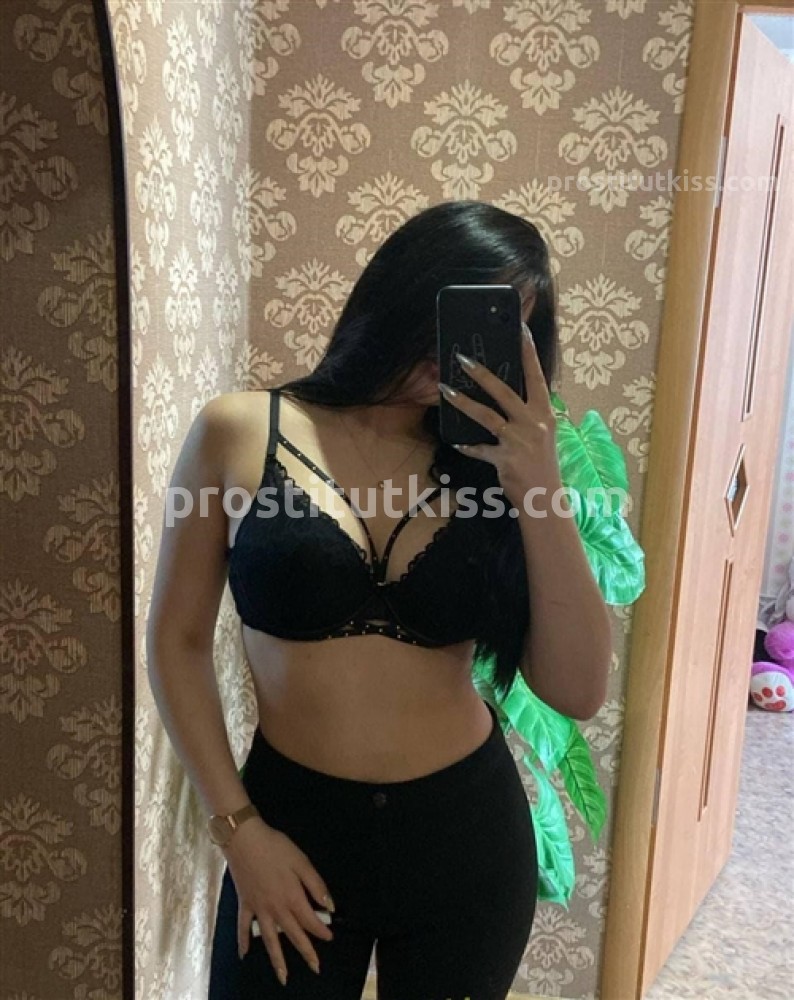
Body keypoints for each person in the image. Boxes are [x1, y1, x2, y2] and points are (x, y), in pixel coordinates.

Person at [146, 200, 612, 1000]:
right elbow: (176, 643)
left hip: (465, 839)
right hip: (292, 824)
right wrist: (239, 832)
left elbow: (577, 689)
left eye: (502, 330)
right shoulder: (239, 430)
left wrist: (540, 484)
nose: (456, 352)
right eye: (455, 311)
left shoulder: (499, 471)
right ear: (401, 292)